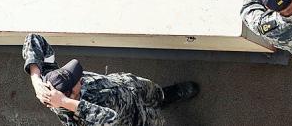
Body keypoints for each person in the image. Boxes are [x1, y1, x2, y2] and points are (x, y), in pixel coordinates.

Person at [22, 33, 198, 125]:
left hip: (128, 86)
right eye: (76, 81)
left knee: (155, 93)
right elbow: (110, 118)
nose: (81, 78)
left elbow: (34, 38)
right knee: (155, 121)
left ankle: (166, 96)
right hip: (134, 118)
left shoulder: (50, 80)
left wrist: (35, 78)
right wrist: (65, 102)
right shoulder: (75, 118)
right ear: (68, 95)